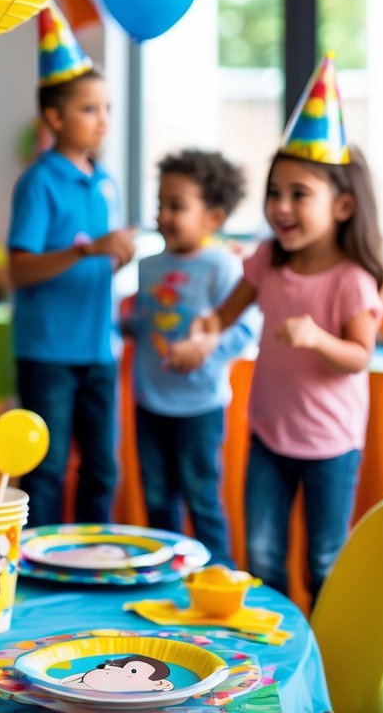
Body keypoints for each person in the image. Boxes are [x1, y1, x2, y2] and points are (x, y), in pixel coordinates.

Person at [192, 54, 383, 601]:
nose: (281, 206)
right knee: (263, 555)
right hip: (270, 436)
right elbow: (226, 313)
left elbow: (360, 355)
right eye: (275, 192)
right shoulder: (267, 260)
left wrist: (317, 338)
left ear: (343, 204)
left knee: (324, 561)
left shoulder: (350, 281)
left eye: (300, 194)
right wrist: (202, 332)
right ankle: (275, 649)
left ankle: (325, 659)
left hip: (331, 446)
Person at [7, 3, 134, 527]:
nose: (102, 120)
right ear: (54, 118)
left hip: (99, 350)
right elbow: (20, 269)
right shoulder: (38, 183)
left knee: (103, 469)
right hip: (49, 354)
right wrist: (86, 250)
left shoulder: (105, 182)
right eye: (89, 109)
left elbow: (106, 260)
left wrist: (119, 257)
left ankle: (89, 558)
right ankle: (38, 569)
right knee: (48, 469)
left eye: (106, 108)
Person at [126, 149, 260, 564]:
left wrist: (204, 351)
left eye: (177, 206)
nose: (165, 216)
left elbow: (246, 327)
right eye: (160, 205)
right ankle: (164, 584)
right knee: (157, 502)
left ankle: (218, 585)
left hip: (200, 409)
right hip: (149, 403)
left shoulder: (222, 266)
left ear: (213, 218)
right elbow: (146, 323)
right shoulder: (147, 266)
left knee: (202, 501)